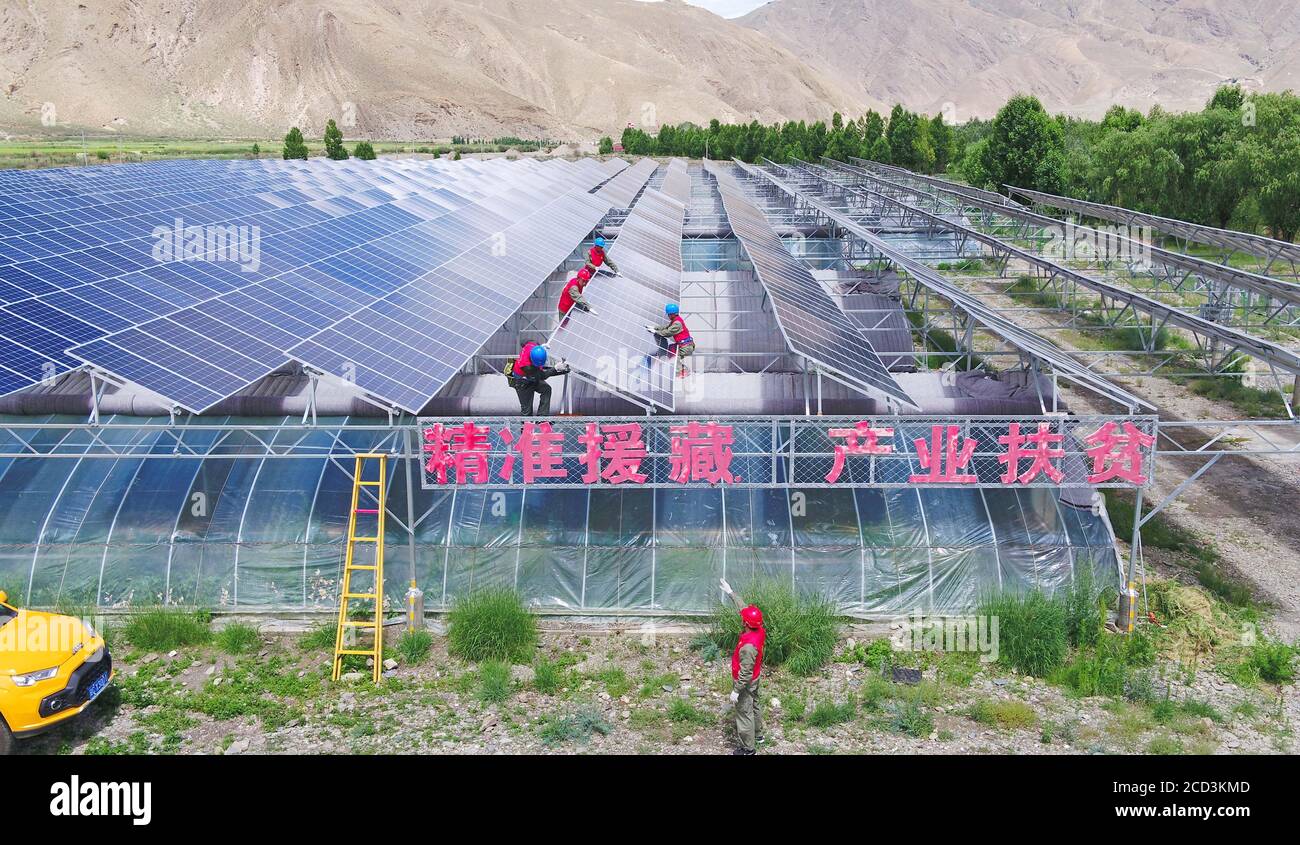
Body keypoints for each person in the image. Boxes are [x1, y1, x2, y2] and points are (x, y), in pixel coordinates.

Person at [720, 578, 764, 756]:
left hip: (745, 680)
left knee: (744, 711)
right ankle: (758, 735)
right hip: (756, 676)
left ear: (745, 624)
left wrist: (736, 690)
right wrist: (731, 592)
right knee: (755, 704)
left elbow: (745, 672)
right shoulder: (759, 629)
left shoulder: (748, 647)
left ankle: (748, 748)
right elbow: (744, 608)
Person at [505, 342, 569, 415]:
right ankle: (527, 424)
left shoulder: (531, 347)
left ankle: (542, 418)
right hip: (522, 383)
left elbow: (524, 340)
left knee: (546, 389)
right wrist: (556, 368)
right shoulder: (527, 367)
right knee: (527, 410)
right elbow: (542, 376)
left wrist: (541, 347)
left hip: (532, 378)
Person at [645, 303, 695, 377]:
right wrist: (655, 328)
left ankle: (681, 372)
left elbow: (668, 332)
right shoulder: (675, 320)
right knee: (670, 350)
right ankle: (681, 368)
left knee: (674, 357)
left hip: (686, 347)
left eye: (668, 314)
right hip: (682, 345)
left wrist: (656, 332)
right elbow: (666, 327)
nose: (668, 316)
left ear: (672, 314)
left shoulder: (677, 324)